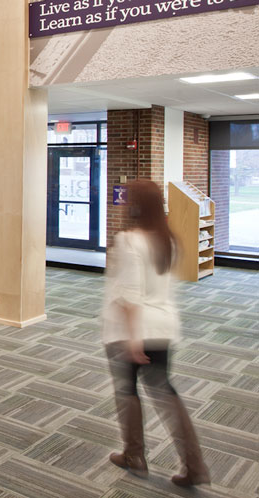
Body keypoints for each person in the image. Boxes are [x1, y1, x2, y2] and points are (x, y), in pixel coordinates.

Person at [103, 180, 208, 487]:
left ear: (136, 206)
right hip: (163, 326)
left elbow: (130, 294)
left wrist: (134, 339)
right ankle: (195, 464)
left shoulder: (129, 241)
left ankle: (134, 454)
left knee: (127, 391)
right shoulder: (168, 239)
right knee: (165, 394)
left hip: (131, 331)